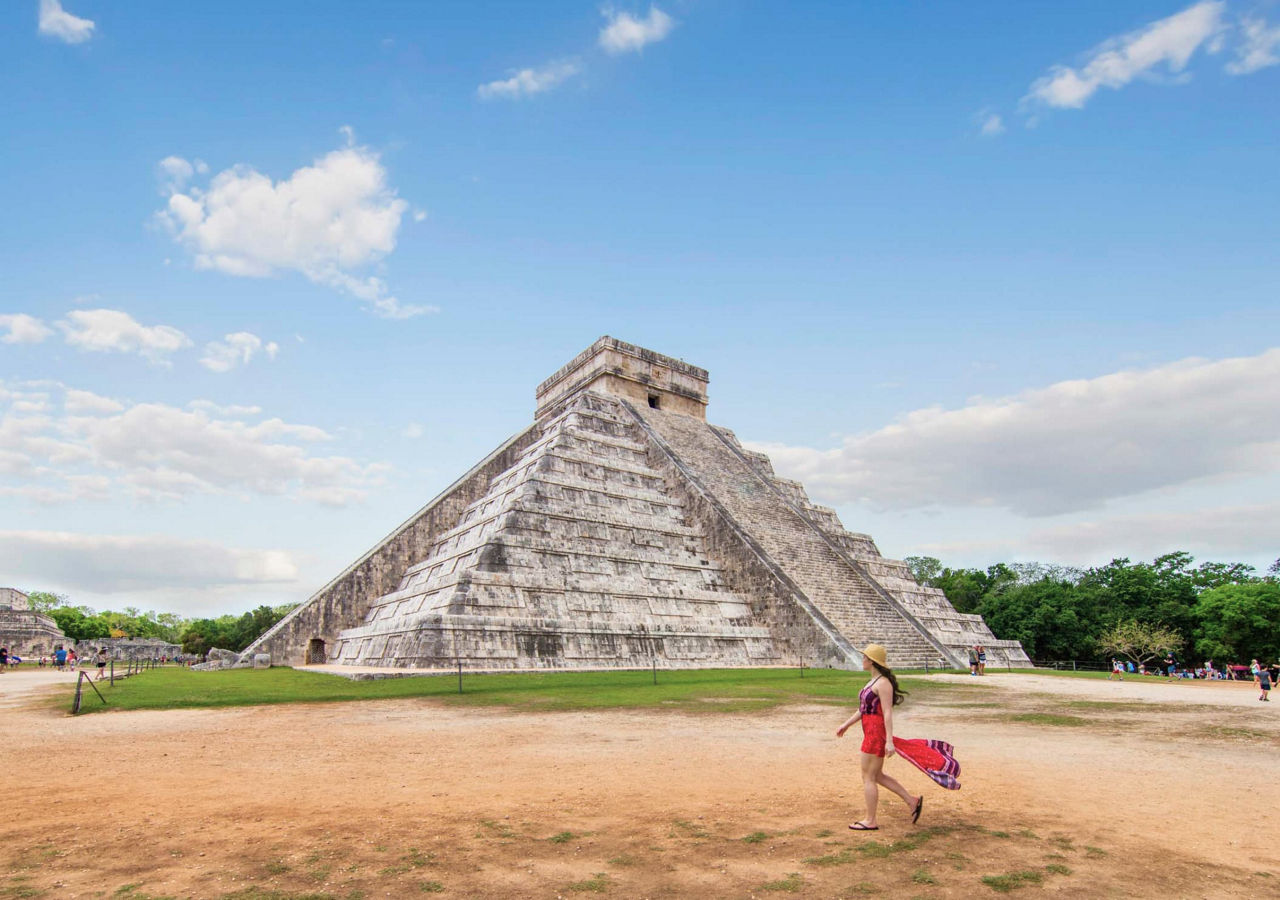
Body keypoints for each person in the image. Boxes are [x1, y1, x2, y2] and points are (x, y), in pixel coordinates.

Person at [836, 643, 961, 831]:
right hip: (870, 732)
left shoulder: (883, 683)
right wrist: (846, 724)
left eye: (865, 657)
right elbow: (864, 709)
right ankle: (912, 801)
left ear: (872, 661)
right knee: (877, 775)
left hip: (875, 734)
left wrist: (888, 741)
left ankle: (870, 820)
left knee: (868, 777)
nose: (862, 660)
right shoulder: (873, 681)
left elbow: (887, 713)